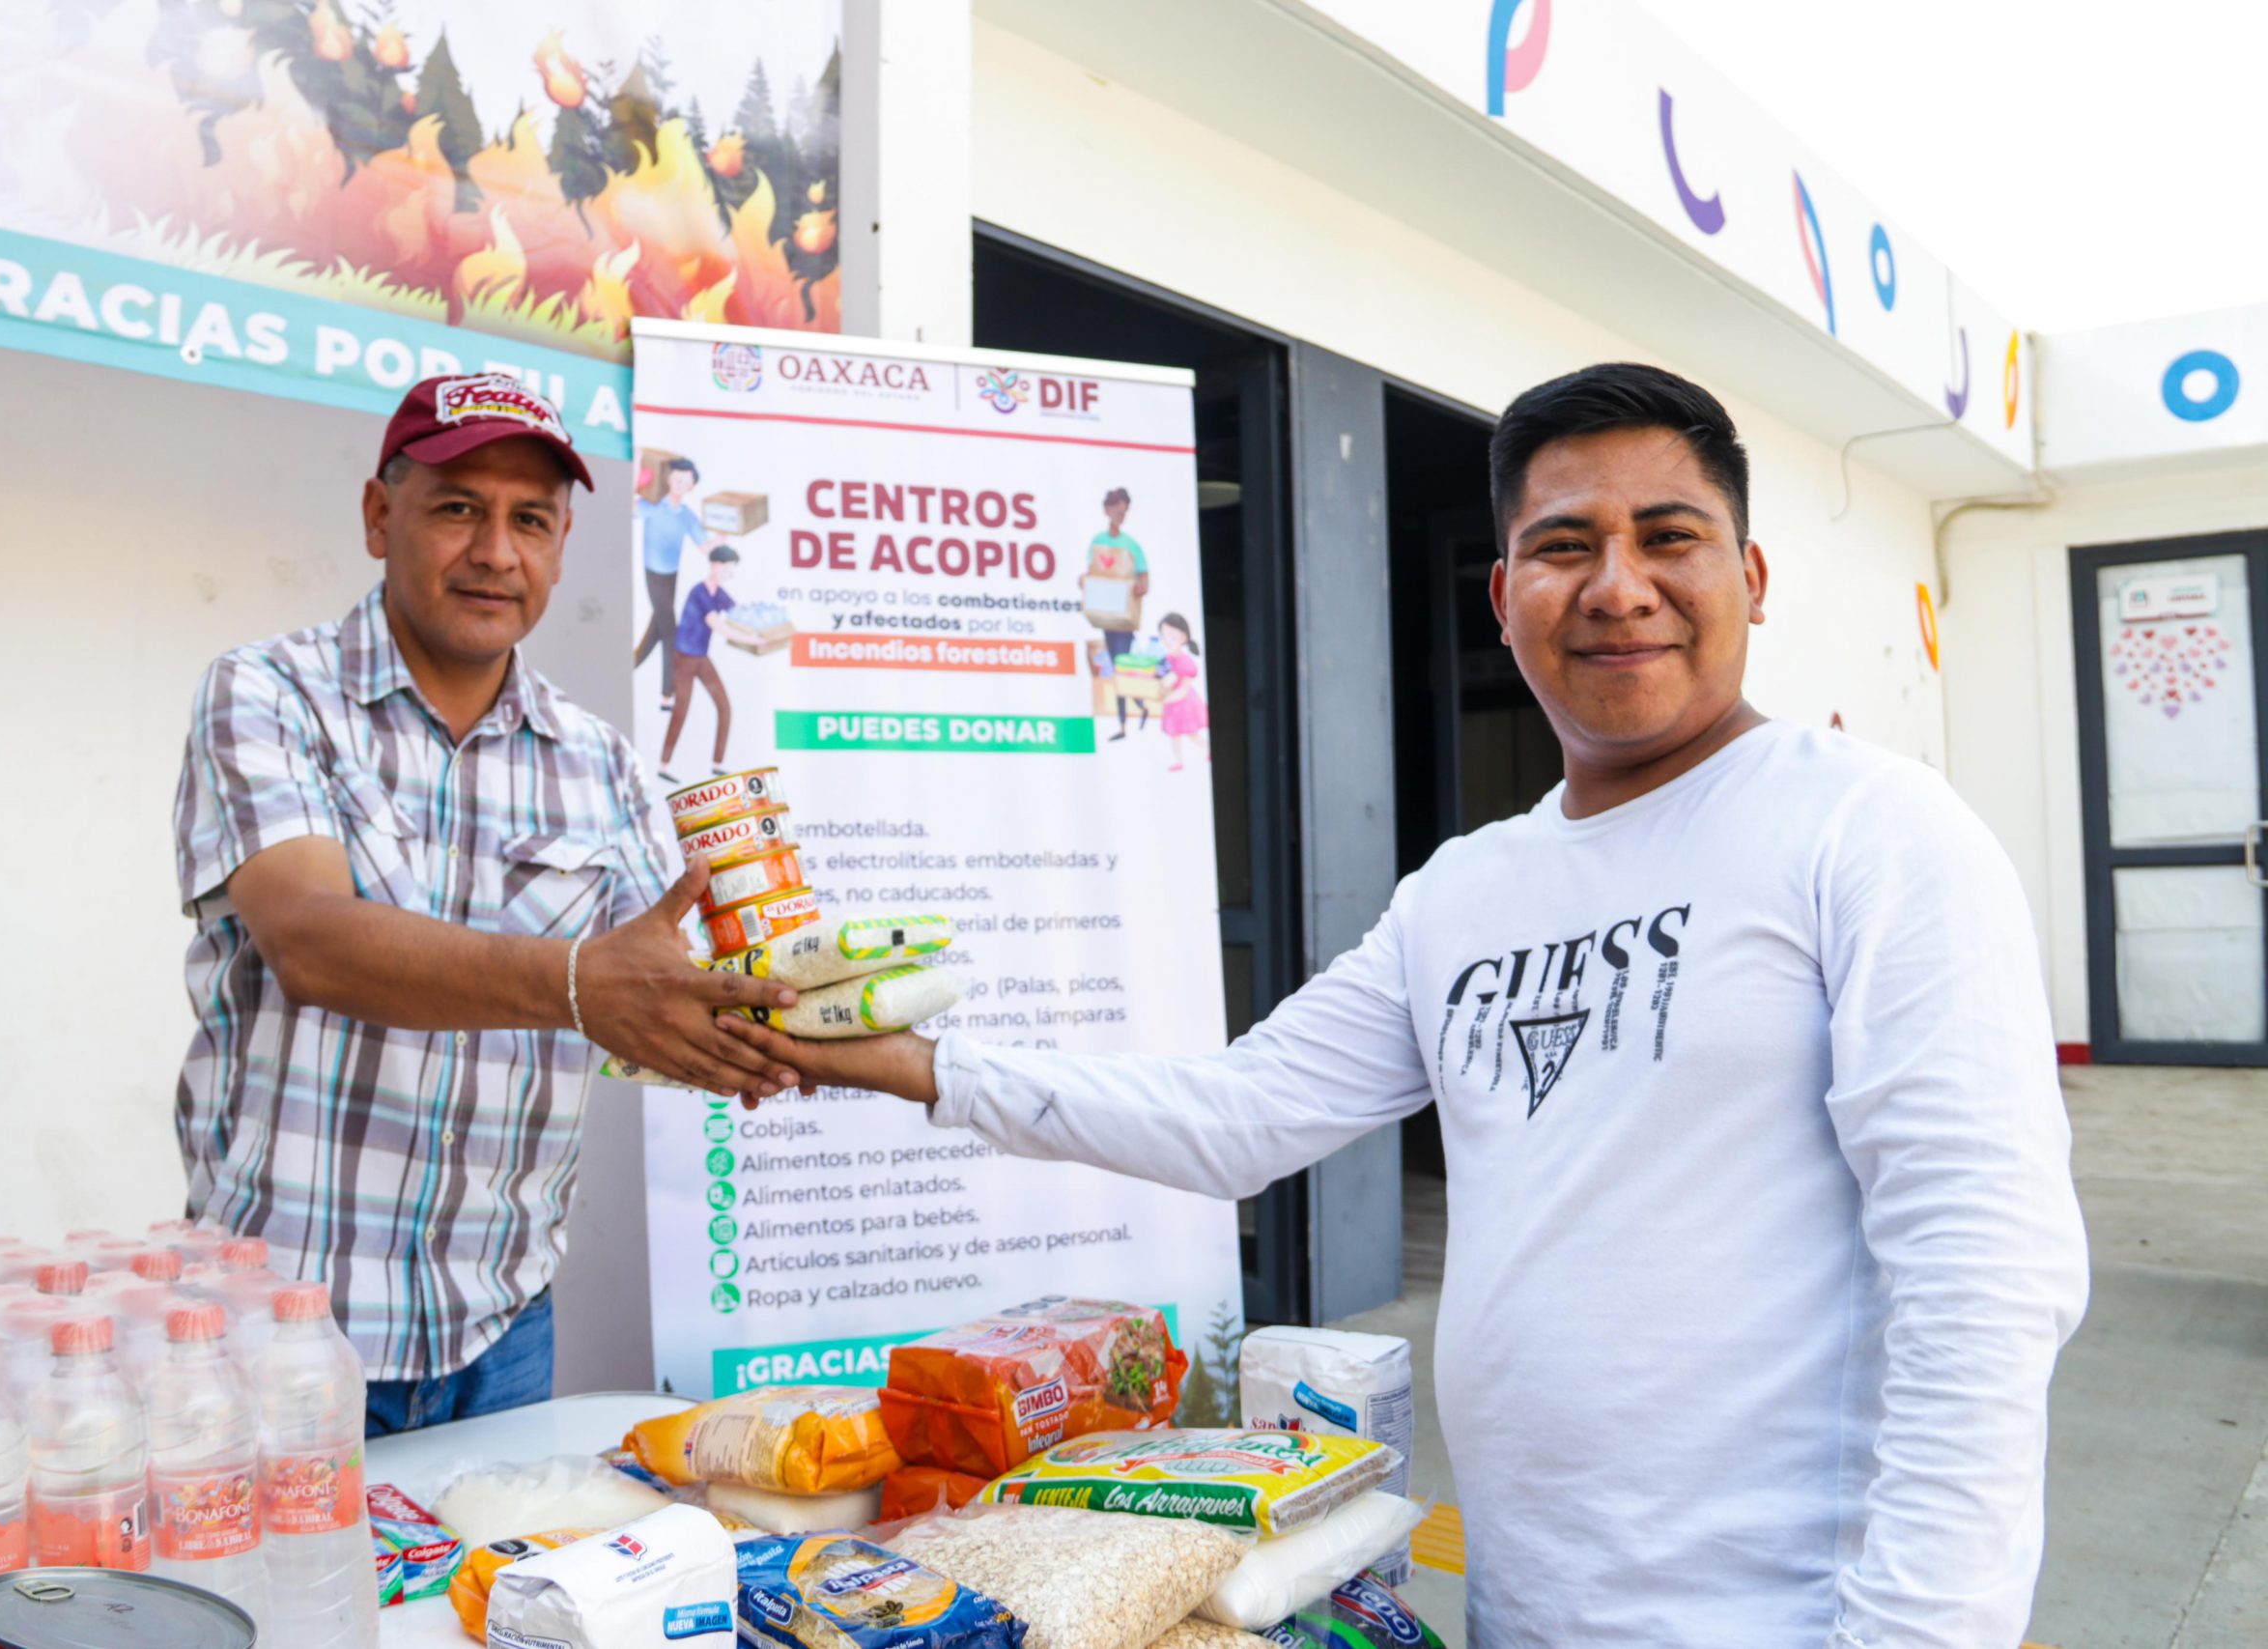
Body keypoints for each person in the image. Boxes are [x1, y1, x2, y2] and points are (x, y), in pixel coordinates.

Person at [723, 363, 2091, 1648]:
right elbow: (1237, 1115)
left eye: (1668, 535)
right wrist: (909, 1061)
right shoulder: (1466, 891)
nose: (1618, 585)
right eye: (1566, 545)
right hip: (1530, 1597)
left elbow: (1984, 1269)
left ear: (1751, 574)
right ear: (1503, 594)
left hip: (1788, 1612)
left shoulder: (1869, 828)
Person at [172, 375, 802, 1436]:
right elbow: (312, 943)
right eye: (458, 508)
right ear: (381, 516)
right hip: (275, 1338)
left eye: (532, 521)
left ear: (560, 546)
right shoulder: (270, 695)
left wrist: (813, 1022)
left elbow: (671, 989)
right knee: (287, 1610)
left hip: (500, 1331)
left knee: (494, 1609)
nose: (496, 553)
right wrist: (573, 984)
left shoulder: (599, 762)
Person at [634, 455, 728, 712]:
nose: (677, 484)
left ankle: (627, 666)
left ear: (691, 487)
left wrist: (721, 537)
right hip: (653, 573)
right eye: (674, 478)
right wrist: (637, 480)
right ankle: (667, 694)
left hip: (671, 575)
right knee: (669, 632)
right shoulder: (653, 505)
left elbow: (704, 546)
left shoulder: (687, 516)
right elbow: (630, 508)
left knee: (656, 628)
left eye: (683, 481)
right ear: (667, 479)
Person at [659, 544, 759, 782]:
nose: (729, 574)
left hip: (701, 657)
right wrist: (752, 639)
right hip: (684, 658)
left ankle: (717, 763)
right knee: (681, 710)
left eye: (732, 570)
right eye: (727, 569)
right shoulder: (700, 593)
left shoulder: (719, 593)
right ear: (715, 565)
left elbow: (738, 613)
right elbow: (719, 626)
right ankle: (663, 765)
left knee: (724, 706)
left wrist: (762, 623)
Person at [1081, 487, 1150, 739]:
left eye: (1123, 511)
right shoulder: (1098, 541)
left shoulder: (1132, 545)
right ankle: (1137, 710)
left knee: (1120, 668)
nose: (1119, 515)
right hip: (1106, 616)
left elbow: (1144, 582)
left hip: (1124, 620)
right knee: (1117, 668)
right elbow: (1091, 572)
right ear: (1106, 510)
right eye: (1114, 510)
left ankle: (1126, 722)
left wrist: (1134, 587)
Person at [1154, 612, 1208, 772]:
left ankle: (1209, 749)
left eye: (1173, 636)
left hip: (1184, 705)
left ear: (1184, 637)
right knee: (1175, 735)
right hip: (1172, 705)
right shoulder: (1166, 659)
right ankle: (1178, 761)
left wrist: (1164, 699)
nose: (1168, 641)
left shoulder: (1185, 661)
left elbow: (1184, 690)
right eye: (1164, 636)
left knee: (1192, 734)